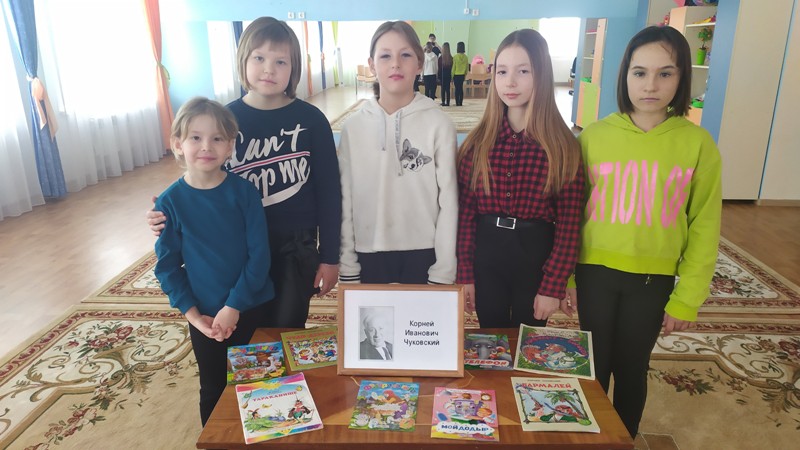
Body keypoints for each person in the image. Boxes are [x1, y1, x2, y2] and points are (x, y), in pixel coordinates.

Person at [569, 26, 722, 438]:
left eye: (665, 73)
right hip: (594, 274)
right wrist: (566, 277)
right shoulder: (594, 136)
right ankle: (591, 439)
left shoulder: (697, 144)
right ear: (625, 76)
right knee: (594, 366)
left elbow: (705, 226)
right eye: (640, 73)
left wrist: (688, 298)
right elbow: (570, 213)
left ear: (682, 78)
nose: (651, 85)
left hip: (652, 282)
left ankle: (623, 439)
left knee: (632, 367)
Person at [147, 17, 341, 329]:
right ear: (243, 61)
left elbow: (330, 193)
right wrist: (168, 210)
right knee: (241, 331)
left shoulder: (312, 120)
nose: (269, 69)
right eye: (259, 58)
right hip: (235, 248)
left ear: (294, 67)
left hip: (295, 247)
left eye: (281, 61)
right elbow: (200, 177)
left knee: (286, 330)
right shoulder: (224, 120)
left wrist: (330, 257)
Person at [153, 97, 275, 425]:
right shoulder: (169, 202)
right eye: (195, 137)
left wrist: (234, 306)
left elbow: (259, 257)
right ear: (177, 144)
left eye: (217, 138)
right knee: (213, 388)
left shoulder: (244, 193)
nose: (206, 146)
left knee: (260, 382)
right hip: (204, 317)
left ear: (230, 146)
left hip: (252, 306)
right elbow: (167, 268)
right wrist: (194, 317)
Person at [456, 29, 585, 328]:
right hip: (486, 258)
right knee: (491, 338)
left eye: (523, 71)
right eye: (502, 71)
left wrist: (553, 284)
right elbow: (465, 216)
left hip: (536, 259)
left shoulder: (562, 147)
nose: (510, 82)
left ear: (542, 75)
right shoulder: (476, 144)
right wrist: (465, 274)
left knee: (530, 341)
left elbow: (569, 225)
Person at [338, 20, 458, 285]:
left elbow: (449, 201)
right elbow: (345, 199)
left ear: (419, 63)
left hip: (424, 253)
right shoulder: (353, 128)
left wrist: (444, 267)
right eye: (385, 56)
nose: (395, 64)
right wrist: (347, 263)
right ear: (372, 65)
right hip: (367, 251)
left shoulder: (439, 124)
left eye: (405, 55)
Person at [452, 41, 469, 106]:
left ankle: (457, 103)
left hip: (456, 75)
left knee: (457, 89)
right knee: (461, 88)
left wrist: (452, 75)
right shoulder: (466, 57)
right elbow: (467, 67)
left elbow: (454, 67)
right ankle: (461, 103)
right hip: (462, 75)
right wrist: (465, 74)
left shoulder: (455, 57)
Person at [440, 42, 453, 106]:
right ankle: (448, 102)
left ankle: (443, 101)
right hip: (448, 75)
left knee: (443, 89)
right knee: (448, 89)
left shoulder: (440, 58)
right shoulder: (451, 58)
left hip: (442, 75)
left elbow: (439, 68)